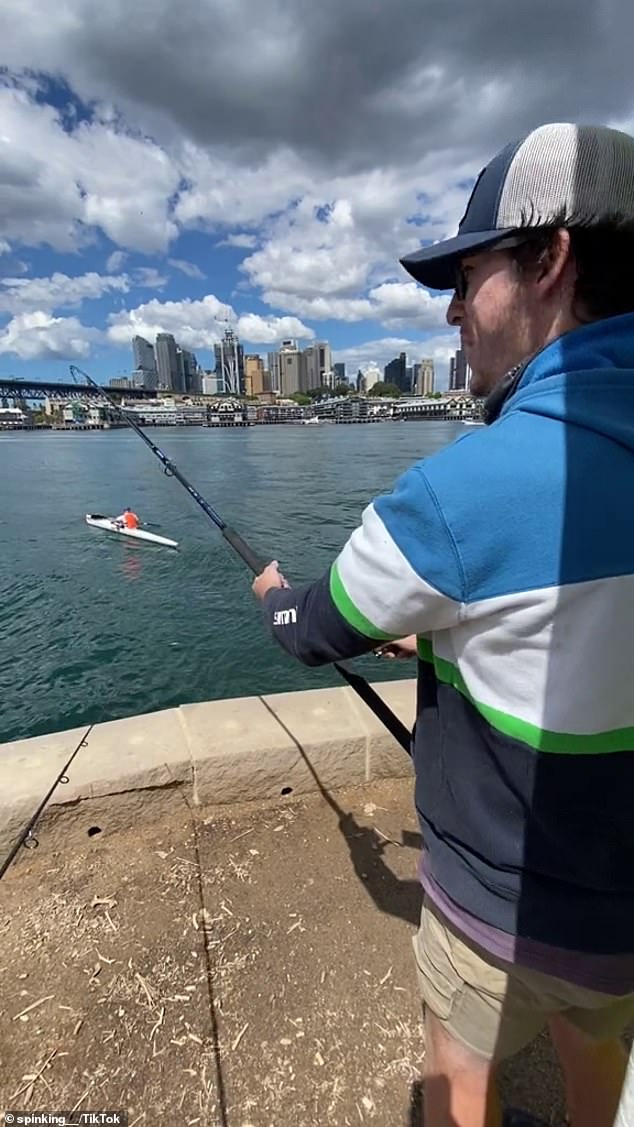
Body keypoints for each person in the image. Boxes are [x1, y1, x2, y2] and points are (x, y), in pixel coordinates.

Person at [251, 122, 634, 1127]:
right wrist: (444, 638)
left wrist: (275, 594)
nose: (455, 314)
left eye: (467, 279)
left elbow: (313, 627)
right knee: (597, 1066)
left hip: (501, 913)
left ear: (550, 259)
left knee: (460, 1085)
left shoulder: (460, 494)